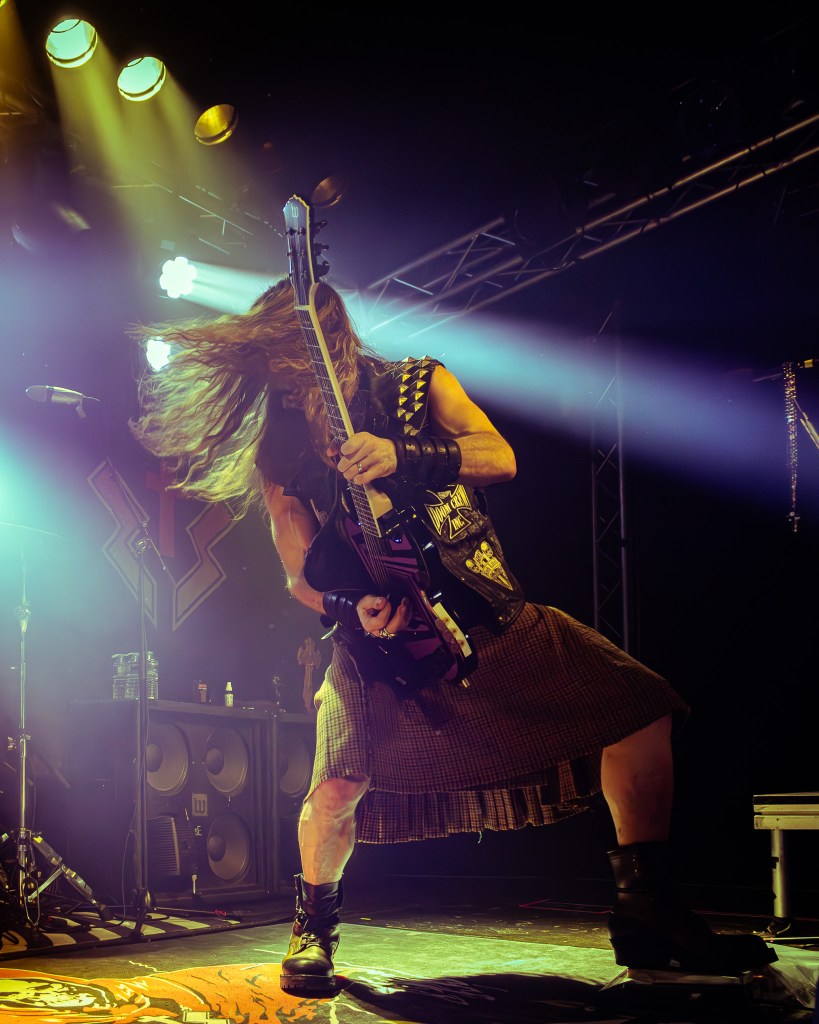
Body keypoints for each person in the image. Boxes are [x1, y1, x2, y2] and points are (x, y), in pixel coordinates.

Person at [128, 277, 776, 996]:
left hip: (484, 613)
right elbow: (296, 574)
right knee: (336, 783)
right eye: (280, 376)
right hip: (377, 646)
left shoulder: (417, 385)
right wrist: (350, 606)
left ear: (331, 342)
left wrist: (408, 456)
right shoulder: (278, 449)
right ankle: (313, 931)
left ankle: (648, 910)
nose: (295, 390)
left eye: (301, 368)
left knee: (639, 708)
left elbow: (499, 457)